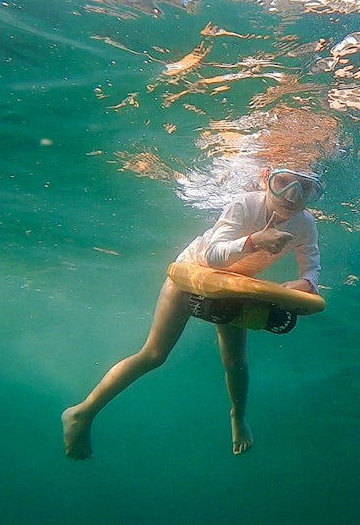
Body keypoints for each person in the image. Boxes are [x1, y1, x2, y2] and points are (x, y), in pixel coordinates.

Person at [62, 167, 324, 458]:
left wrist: (305, 282)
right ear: (265, 180)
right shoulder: (245, 205)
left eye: (304, 188)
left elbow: (312, 266)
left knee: (236, 360)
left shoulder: (305, 224)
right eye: (283, 183)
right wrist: (254, 242)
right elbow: (212, 254)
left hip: (233, 285)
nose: (291, 195)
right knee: (154, 354)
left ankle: (238, 417)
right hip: (193, 274)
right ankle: (82, 413)